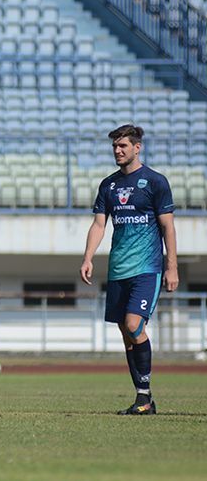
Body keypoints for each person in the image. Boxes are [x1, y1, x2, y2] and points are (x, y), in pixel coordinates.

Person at [80, 125, 178, 415]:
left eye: (123, 146)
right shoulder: (108, 185)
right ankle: (143, 397)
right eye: (114, 146)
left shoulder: (155, 182)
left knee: (135, 325)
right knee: (126, 331)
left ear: (137, 147)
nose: (118, 150)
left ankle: (145, 397)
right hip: (118, 269)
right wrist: (88, 257)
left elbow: (167, 226)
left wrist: (172, 267)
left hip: (148, 268)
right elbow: (99, 224)